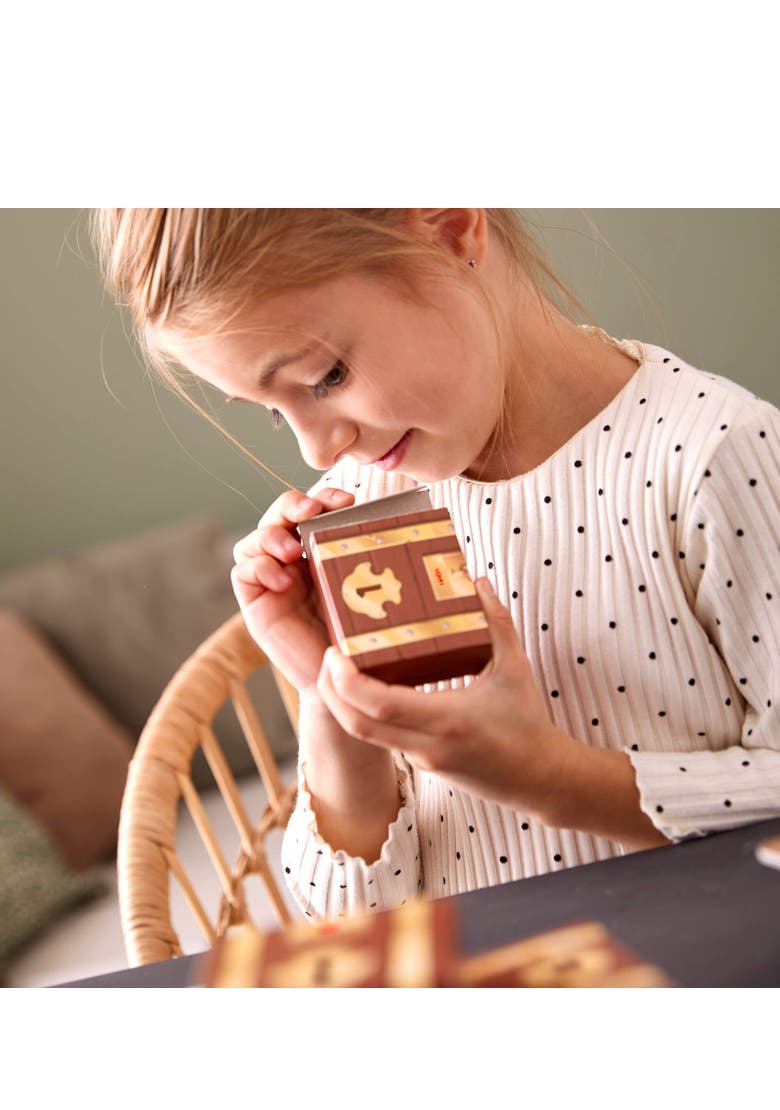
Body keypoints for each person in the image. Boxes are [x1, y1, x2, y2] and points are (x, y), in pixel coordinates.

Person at [92, 208, 780, 922]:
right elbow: (348, 920)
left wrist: (547, 777)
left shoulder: (710, 459)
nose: (316, 452)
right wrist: (335, 696)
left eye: (325, 375)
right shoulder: (371, 502)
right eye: (272, 410)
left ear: (453, 232)